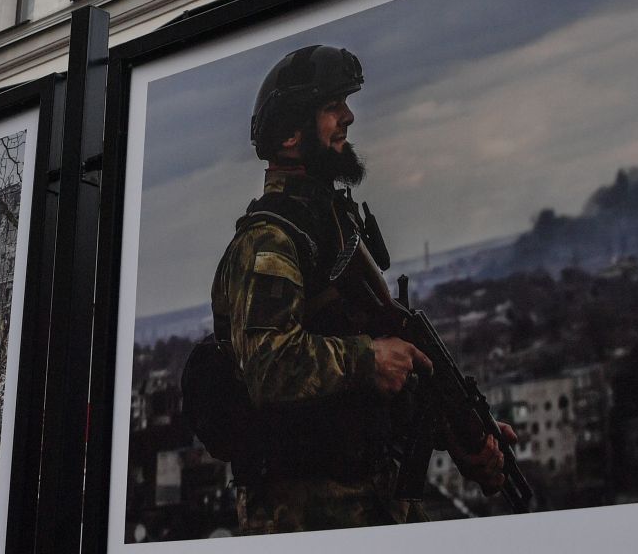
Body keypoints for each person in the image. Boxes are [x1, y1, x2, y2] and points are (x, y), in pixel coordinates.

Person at [210, 45, 509, 533]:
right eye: (331, 107)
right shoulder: (270, 240)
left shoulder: (331, 226)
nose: (348, 117)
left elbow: (380, 359)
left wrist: (462, 430)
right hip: (301, 512)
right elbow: (267, 364)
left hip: (373, 494)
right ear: (289, 133)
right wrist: (369, 359)